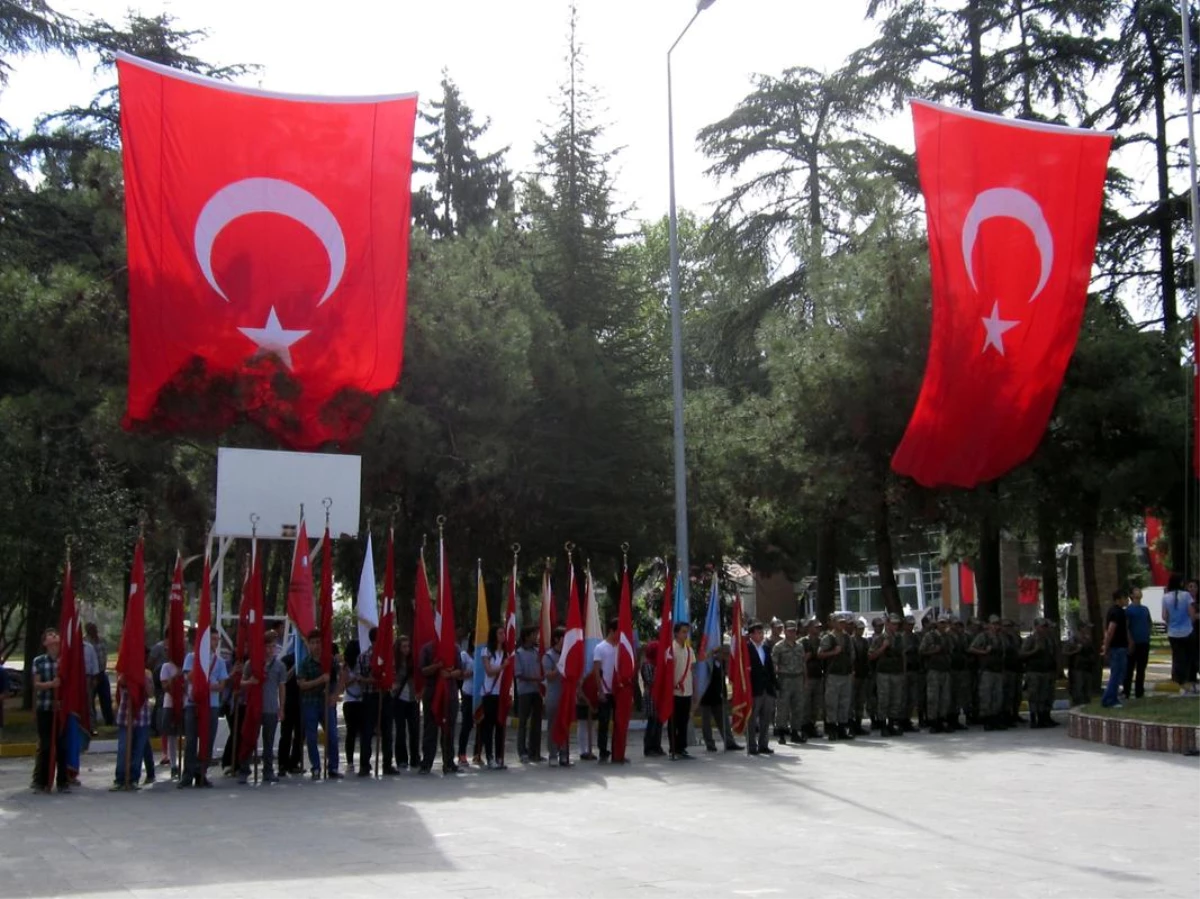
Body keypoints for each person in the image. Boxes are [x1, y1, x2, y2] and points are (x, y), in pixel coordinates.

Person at [180, 628, 229, 788]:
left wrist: (207, 685)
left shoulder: (219, 662)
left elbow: (221, 685)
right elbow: (189, 678)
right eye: (212, 639)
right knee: (191, 740)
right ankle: (187, 775)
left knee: (207, 740)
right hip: (193, 703)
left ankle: (201, 773)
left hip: (212, 705)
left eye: (217, 639)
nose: (215, 642)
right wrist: (201, 665)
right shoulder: (192, 657)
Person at [239, 630, 286, 784]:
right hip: (254, 707)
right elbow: (241, 683)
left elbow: (281, 688)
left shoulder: (279, 666)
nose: (270, 649)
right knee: (249, 739)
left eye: (273, 646)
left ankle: (268, 771)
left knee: (269, 742)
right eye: (267, 646)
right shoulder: (251, 664)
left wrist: (282, 708)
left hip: (271, 708)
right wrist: (250, 682)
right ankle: (244, 770)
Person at [297, 629, 342, 780]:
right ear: (308, 645)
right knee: (311, 736)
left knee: (332, 735)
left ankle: (333, 767)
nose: (316, 646)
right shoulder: (305, 663)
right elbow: (302, 684)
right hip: (310, 702)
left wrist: (335, 695)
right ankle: (316, 767)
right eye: (313, 643)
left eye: (319, 642)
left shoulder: (330, 660)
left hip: (327, 702)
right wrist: (320, 680)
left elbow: (343, 675)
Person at [31, 627, 69, 793]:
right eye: (50, 635)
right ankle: (41, 781)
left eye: (56, 634)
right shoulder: (39, 661)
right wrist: (51, 685)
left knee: (62, 746)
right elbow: (36, 684)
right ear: (45, 642)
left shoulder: (65, 661)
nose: (54, 636)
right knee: (45, 745)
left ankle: (63, 781)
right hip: (45, 708)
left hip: (60, 710)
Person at [419, 634, 464, 775]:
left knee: (449, 730)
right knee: (430, 730)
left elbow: (460, 671)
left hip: (450, 694)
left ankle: (449, 762)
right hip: (432, 694)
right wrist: (437, 666)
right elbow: (423, 670)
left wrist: (449, 675)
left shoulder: (455, 648)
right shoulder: (427, 648)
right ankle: (426, 763)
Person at [112, 662, 153, 790]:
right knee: (123, 749)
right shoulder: (124, 675)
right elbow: (121, 683)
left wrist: (143, 679)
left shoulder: (147, 674)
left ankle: (133, 779)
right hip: (126, 717)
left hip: (142, 718)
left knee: (138, 751)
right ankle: (120, 779)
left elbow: (150, 692)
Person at [478, 623, 509, 769]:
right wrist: (503, 666)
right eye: (500, 633)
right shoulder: (487, 651)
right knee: (489, 725)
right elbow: (489, 671)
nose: (503, 636)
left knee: (500, 725)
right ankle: (489, 756)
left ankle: (499, 757)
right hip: (489, 692)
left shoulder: (506, 653)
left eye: (504, 633)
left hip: (501, 692)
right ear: (494, 635)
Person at [699, 644, 741, 751]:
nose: (727, 657)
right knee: (706, 723)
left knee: (724, 721)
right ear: (718, 653)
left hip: (718, 696)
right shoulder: (708, 662)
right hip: (706, 695)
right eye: (725, 654)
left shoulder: (722, 664)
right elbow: (702, 660)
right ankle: (710, 744)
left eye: (728, 654)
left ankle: (729, 742)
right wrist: (712, 651)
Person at [870, 614, 906, 736]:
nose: (895, 626)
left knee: (896, 699)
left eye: (897, 624)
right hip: (884, 673)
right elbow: (871, 656)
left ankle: (892, 724)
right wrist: (883, 647)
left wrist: (903, 671)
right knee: (884, 700)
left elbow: (903, 656)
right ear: (887, 624)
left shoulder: (899, 638)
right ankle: (883, 725)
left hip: (897, 672)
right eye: (893, 623)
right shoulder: (879, 639)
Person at [770, 620, 806, 744]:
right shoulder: (778, 647)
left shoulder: (800, 646)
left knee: (798, 707)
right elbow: (774, 664)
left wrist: (804, 679)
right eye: (790, 630)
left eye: (794, 630)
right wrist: (775, 681)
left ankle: (795, 732)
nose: (792, 633)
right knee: (782, 707)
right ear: (785, 631)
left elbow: (803, 663)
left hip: (797, 678)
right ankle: (781, 732)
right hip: (784, 679)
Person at [745, 621, 777, 756]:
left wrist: (774, 685)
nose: (761, 635)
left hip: (767, 689)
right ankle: (752, 745)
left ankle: (764, 744)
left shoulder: (765, 648)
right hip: (754, 689)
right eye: (758, 633)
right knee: (752, 719)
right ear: (751, 635)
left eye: (762, 632)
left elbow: (770, 668)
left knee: (766, 718)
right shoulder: (746, 649)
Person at [969, 615, 1006, 730]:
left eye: (997, 624)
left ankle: (995, 719)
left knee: (998, 696)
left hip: (998, 670)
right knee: (986, 696)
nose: (996, 626)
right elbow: (971, 648)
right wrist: (984, 652)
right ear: (989, 625)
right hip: (987, 671)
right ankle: (987, 720)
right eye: (993, 624)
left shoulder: (1000, 637)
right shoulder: (983, 636)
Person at [1161, 573, 1196, 693]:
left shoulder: (1165, 597)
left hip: (1173, 633)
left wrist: (1172, 622)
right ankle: (1186, 681)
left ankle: (1178, 680)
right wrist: (1189, 623)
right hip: (1187, 631)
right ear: (1180, 583)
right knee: (1187, 657)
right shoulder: (1186, 595)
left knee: (1177, 657)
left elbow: (1164, 616)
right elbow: (1191, 613)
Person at [1020, 618, 1058, 728]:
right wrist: (1034, 651)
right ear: (1036, 627)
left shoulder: (1049, 639)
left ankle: (1043, 717)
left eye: (1045, 626)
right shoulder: (1031, 639)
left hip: (1046, 671)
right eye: (1042, 626)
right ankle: (1033, 719)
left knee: (1045, 695)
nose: (1044, 629)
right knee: (1033, 696)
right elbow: (1022, 654)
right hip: (1034, 671)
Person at [592, 618, 619, 762]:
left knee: (619, 722)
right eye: (618, 632)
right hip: (605, 690)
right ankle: (603, 750)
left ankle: (617, 750)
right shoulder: (600, 647)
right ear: (611, 630)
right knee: (604, 722)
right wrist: (600, 690)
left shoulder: (620, 647)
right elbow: (597, 671)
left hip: (618, 691)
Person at [392, 634, 421, 770]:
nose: (406, 649)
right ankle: (401, 759)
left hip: (412, 698)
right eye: (403, 646)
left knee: (414, 730)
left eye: (408, 646)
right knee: (400, 731)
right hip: (398, 699)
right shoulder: (394, 662)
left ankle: (415, 758)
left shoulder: (413, 661)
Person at [920, 616, 953, 733]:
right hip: (933, 670)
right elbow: (921, 651)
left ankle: (942, 719)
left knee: (945, 697)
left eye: (945, 623)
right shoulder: (930, 636)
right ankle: (933, 721)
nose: (943, 625)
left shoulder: (948, 637)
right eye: (941, 623)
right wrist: (933, 651)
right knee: (933, 697)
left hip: (945, 670)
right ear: (937, 624)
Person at [1101, 589, 1133, 709]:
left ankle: (1111, 697)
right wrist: (1106, 646)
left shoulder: (1116, 611)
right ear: (1118, 599)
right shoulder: (1117, 612)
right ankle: (1109, 699)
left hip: (1120, 646)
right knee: (1116, 674)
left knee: (1119, 674)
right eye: (1125, 598)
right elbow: (1110, 630)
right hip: (1117, 647)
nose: (1127, 600)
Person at [668, 622, 696, 760]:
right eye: (683, 632)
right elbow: (667, 672)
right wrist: (673, 685)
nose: (685, 634)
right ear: (676, 633)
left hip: (687, 690)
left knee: (684, 721)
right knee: (673, 721)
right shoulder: (670, 650)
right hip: (675, 691)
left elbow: (691, 669)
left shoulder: (689, 650)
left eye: (687, 632)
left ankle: (682, 747)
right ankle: (673, 748)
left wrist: (694, 689)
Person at [543, 627, 571, 766]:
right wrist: (559, 665)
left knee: (565, 724)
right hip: (553, 695)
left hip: (566, 695)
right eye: (563, 637)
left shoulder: (568, 654)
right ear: (556, 639)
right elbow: (549, 676)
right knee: (553, 725)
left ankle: (564, 754)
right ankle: (553, 754)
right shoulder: (548, 656)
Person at [1122, 586, 1152, 699]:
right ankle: (1126, 691)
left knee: (1141, 668)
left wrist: (1147, 633)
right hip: (1133, 643)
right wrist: (1130, 641)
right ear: (1132, 595)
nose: (1138, 592)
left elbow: (1149, 622)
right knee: (1129, 668)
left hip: (1144, 642)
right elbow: (1126, 627)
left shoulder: (1145, 609)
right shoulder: (1128, 610)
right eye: (1136, 591)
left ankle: (1140, 691)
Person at [85, 622, 114, 726]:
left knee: (106, 698)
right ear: (88, 631)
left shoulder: (102, 640)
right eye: (91, 629)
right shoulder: (85, 643)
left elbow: (105, 655)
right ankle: (92, 722)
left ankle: (109, 721)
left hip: (102, 673)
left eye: (95, 629)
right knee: (90, 699)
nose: (94, 631)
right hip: (91, 676)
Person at [341, 639, 364, 772]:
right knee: (351, 732)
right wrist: (354, 678)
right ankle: (349, 761)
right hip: (349, 701)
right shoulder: (345, 667)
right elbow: (344, 683)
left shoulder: (361, 664)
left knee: (363, 731)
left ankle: (362, 760)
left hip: (361, 701)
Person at [799, 619, 824, 739]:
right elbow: (798, 660)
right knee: (806, 703)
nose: (818, 629)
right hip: (807, 676)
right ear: (809, 628)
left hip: (818, 675)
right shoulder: (803, 642)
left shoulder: (822, 641)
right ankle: (803, 726)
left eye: (819, 627)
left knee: (816, 704)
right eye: (815, 627)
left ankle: (812, 725)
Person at [639, 641, 663, 757]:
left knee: (659, 722)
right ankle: (648, 748)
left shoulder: (657, 664)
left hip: (658, 696)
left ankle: (657, 746)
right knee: (652, 723)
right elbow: (650, 680)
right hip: (651, 696)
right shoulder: (647, 664)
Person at [1063, 622, 1096, 706]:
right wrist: (1076, 651)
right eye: (1086, 628)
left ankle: (1086, 703)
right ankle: (1077, 703)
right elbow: (1065, 652)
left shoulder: (1088, 639)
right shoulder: (1073, 639)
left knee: (1087, 688)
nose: (1088, 630)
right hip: (1077, 667)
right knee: (1078, 688)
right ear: (1081, 628)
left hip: (1087, 667)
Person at [458, 642, 478, 767]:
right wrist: (473, 672)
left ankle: (478, 753)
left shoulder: (484, 653)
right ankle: (462, 754)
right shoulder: (464, 655)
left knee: (481, 724)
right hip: (468, 692)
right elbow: (460, 675)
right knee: (467, 724)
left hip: (481, 692)